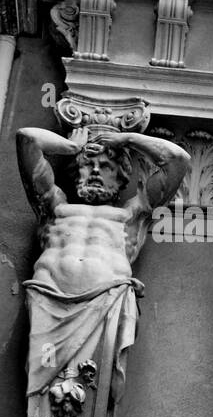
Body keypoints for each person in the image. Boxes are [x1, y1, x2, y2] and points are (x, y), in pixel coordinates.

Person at [17, 125, 189, 400]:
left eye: (107, 166)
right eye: (89, 165)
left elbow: (178, 160)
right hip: (49, 301)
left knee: (92, 384)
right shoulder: (53, 205)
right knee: (45, 389)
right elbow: (27, 139)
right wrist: (71, 148)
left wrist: (128, 139)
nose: (96, 171)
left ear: (121, 177)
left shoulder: (133, 213)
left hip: (105, 302)